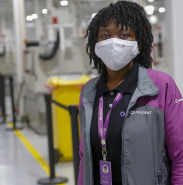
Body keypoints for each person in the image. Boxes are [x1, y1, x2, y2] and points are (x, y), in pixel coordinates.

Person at [78, 1, 183, 185]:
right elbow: (84, 159)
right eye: (105, 35)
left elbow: (180, 156)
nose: (113, 41)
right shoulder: (88, 91)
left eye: (124, 34)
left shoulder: (160, 86)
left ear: (139, 42)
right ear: (95, 43)